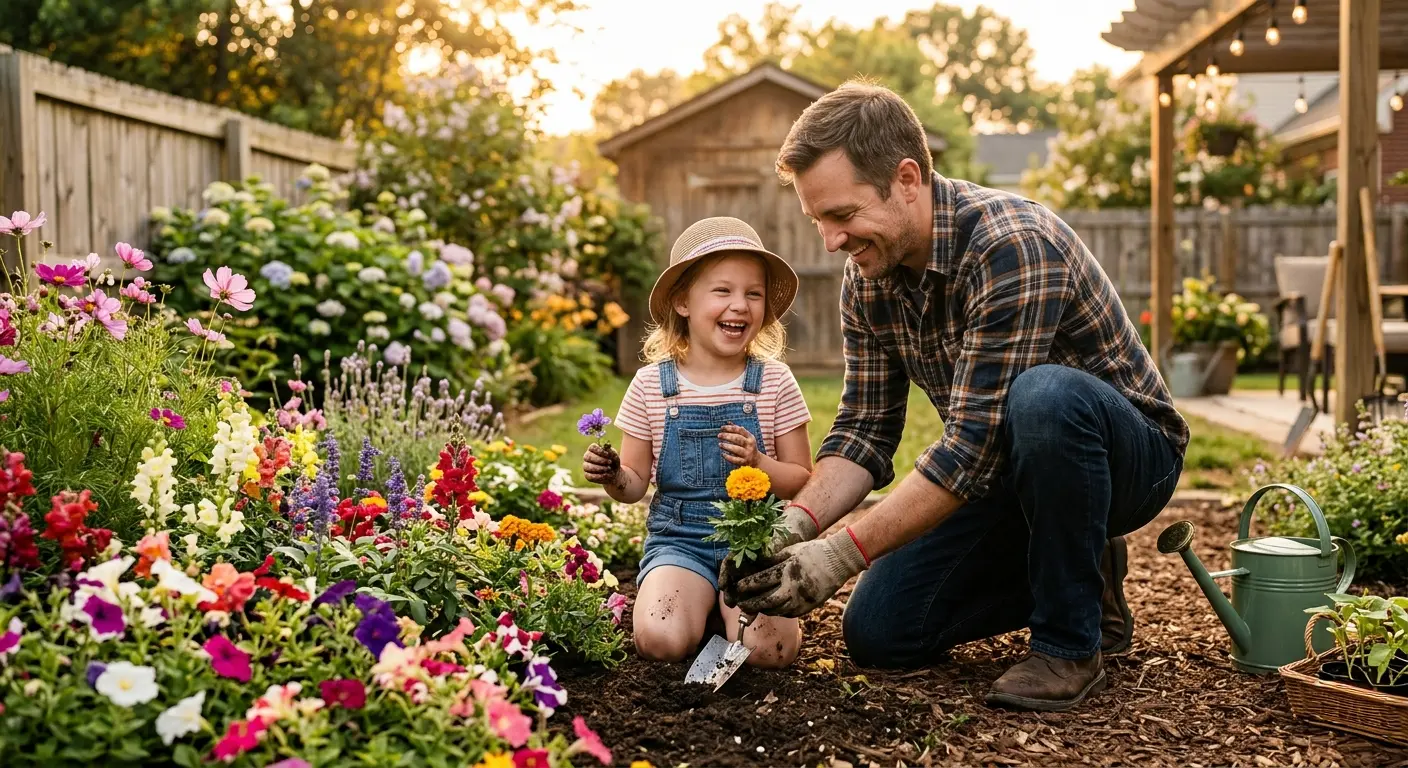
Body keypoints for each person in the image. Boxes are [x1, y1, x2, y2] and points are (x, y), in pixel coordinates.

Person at [719, 80, 1189, 712]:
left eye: (842, 215)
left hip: (1129, 458)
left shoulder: (1010, 244)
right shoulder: (870, 280)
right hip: (1006, 473)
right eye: (818, 220)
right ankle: (1084, 566)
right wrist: (792, 528)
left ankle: (1071, 642)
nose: (831, 241)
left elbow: (969, 447)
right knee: (879, 632)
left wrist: (837, 555)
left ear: (907, 178)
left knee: (1043, 397)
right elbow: (864, 430)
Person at [581, 216, 815, 668]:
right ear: (683, 302)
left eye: (754, 293)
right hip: (679, 541)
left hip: (754, 544)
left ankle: (719, 610)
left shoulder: (774, 383)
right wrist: (612, 476)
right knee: (660, 640)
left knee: (772, 653)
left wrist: (760, 463)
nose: (740, 306)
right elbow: (633, 487)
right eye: (722, 291)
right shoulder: (651, 385)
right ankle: (699, 604)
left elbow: (800, 480)